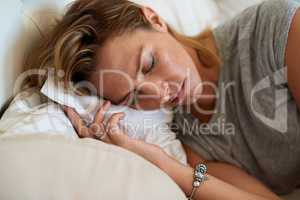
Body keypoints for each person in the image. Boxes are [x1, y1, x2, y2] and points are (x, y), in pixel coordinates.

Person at [31, 0, 300, 199]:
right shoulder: (188, 141)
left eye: (149, 64)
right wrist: (162, 163)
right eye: (133, 96)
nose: (159, 93)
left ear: (154, 19)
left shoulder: (276, 29)